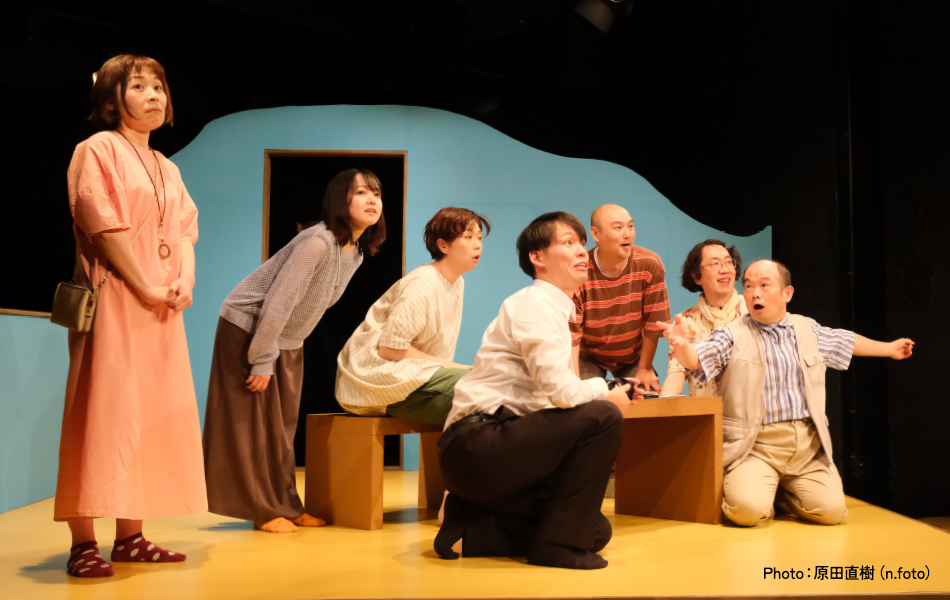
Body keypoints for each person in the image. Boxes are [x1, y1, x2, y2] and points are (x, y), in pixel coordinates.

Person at [54, 54, 206, 578]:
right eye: (138, 86)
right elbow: (99, 222)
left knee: (148, 417)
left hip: (160, 306)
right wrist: (143, 283)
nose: (154, 95)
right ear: (111, 98)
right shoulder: (97, 149)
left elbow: (184, 230)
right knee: (101, 415)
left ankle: (131, 537)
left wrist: (185, 280)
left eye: (159, 86)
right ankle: (83, 542)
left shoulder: (168, 165)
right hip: (116, 298)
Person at [436, 212, 639, 570]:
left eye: (581, 243)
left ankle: (472, 526)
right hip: (477, 445)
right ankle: (556, 547)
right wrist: (606, 389)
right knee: (604, 415)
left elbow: (552, 398)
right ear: (537, 257)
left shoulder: (555, 309)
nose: (582, 251)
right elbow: (560, 392)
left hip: (503, 445)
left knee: (595, 531)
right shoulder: (535, 304)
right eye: (568, 243)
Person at [663, 260, 914, 526]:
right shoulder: (732, 334)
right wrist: (682, 346)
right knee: (746, 512)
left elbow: (845, 341)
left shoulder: (807, 329)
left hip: (807, 448)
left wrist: (890, 349)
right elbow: (697, 359)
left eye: (764, 285)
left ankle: (780, 496)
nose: (755, 293)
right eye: (748, 286)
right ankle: (761, 490)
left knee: (832, 512)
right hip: (754, 447)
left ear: (787, 293)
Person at [202, 168, 385, 534]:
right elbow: (280, 300)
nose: (372, 200)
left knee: (283, 427)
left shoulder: (355, 253)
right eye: (362, 192)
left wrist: (286, 346)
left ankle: (286, 504)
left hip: (288, 338)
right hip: (250, 329)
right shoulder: (318, 242)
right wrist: (262, 358)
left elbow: (313, 304)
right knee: (255, 425)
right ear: (340, 200)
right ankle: (264, 509)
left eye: (377, 194)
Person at [336, 207, 490, 425]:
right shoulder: (423, 282)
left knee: (493, 385)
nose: (477, 245)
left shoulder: (457, 283)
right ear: (443, 245)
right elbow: (391, 349)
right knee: (486, 391)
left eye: (479, 238)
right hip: (373, 379)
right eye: (468, 237)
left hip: (411, 375)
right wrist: (456, 367)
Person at [570, 204, 670, 392]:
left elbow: (653, 325)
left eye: (630, 226)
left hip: (633, 356)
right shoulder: (580, 270)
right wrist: (575, 385)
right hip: (587, 355)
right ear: (596, 234)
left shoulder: (649, 264)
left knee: (645, 397)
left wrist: (645, 368)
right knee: (587, 402)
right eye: (618, 228)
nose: (627, 234)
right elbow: (572, 335)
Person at [660, 239, 748, 396]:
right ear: (696, 276)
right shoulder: (685, 320)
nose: (725, 269)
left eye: (729, 262)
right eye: (715, 264)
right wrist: (660, 408)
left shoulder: (751, 310)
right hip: (705, 410)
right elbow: (676, 376)